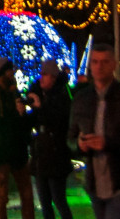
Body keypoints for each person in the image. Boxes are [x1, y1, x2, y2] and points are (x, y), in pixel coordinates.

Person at [68, 43, 120, 219]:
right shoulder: (82, 98)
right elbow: (70, 138)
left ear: (113, 64)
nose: (99, 67)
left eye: (105, 62)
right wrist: (79, 145)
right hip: (94, 183)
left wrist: (107, 143)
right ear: (90, 65)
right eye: (95, 62)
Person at [0, 56, 34, 219]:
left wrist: (22, 114)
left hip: (18, 153)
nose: (13, 74)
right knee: (1, 198)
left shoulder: (12, 92)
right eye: (10, 71)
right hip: (1, 155)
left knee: (27, 195)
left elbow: (19, 123)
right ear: (2, 73)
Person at [28, 59, 74, 219]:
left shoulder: (62, 95)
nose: (41, 78)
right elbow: (34, 122)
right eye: (41, 74)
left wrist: (41, 107)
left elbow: (57, 121)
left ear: (53, 77)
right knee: (45, 203)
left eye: (45, 74)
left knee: (59, 199)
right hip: (41, 157)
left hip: (56, 158)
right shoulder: (41, 94)